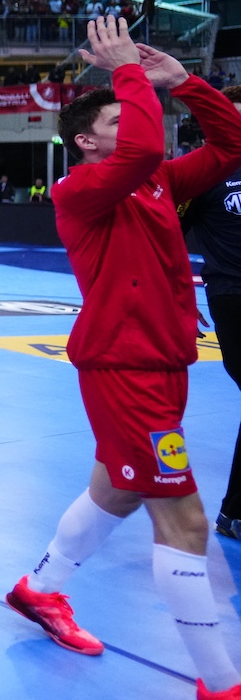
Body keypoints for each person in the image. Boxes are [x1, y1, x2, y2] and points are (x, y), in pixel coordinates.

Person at [5, 18, 241, 700]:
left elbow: (231, 143)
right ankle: (220, 683)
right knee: (185, 520)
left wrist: (185, 82)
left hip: (166, 362)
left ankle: (39, 590)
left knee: (117, 487)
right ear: (86, 139)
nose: (137, 118)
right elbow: (138, 150)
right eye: (118, 115)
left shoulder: (159, 181)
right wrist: (126, 73)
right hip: (124, 368)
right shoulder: (78, 191)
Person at [169, 84, 241, 540]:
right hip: (232, 294)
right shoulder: (204, 173)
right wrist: (179, 296)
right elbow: (167, 234)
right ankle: (232, 512)